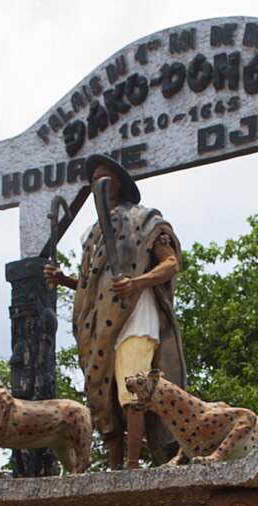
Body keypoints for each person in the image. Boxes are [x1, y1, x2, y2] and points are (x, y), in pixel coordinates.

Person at [44, 154, 188, 469]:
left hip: (137, 315)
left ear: (115, 183)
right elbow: (91, 285)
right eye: (92, 180)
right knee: (102, 392)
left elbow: (170, 264)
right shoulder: (92, 235)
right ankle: (114, 466)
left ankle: (133, 462)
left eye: (99, 179)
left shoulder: (144, 219)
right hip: (99, 325)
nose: (94, 185)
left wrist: (137, 283)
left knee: (132, 385)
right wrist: (64, 279)